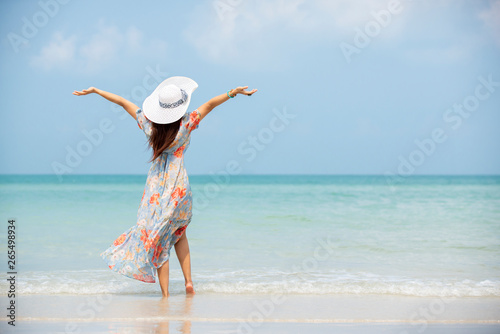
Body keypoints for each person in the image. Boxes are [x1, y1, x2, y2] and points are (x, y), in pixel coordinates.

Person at [73, 77, 257, 298]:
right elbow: (209, 104)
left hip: (156, 190)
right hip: (179, 186)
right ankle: (189, 282)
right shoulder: (186, 124)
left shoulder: (150, 127)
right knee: (179, 234)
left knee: (159, 239)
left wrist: (96, 90)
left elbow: (122, 102)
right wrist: (232, 92)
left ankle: (166, 295)